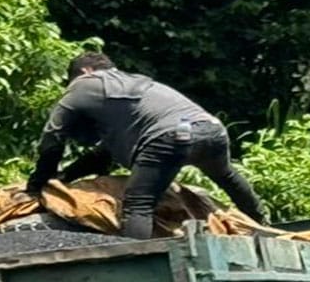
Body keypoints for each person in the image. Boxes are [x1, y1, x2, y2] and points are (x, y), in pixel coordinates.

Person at [23, 51, 270, 240]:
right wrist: (66, 176)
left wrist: (37, 184)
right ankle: (265, 227)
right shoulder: (135, 86)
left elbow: (52, 138)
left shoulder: (85, 83)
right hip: (211, 129)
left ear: (85, 71)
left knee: (138, 203)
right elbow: (102, 155)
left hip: (171, 135)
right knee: (227, 177)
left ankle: (138, 260)